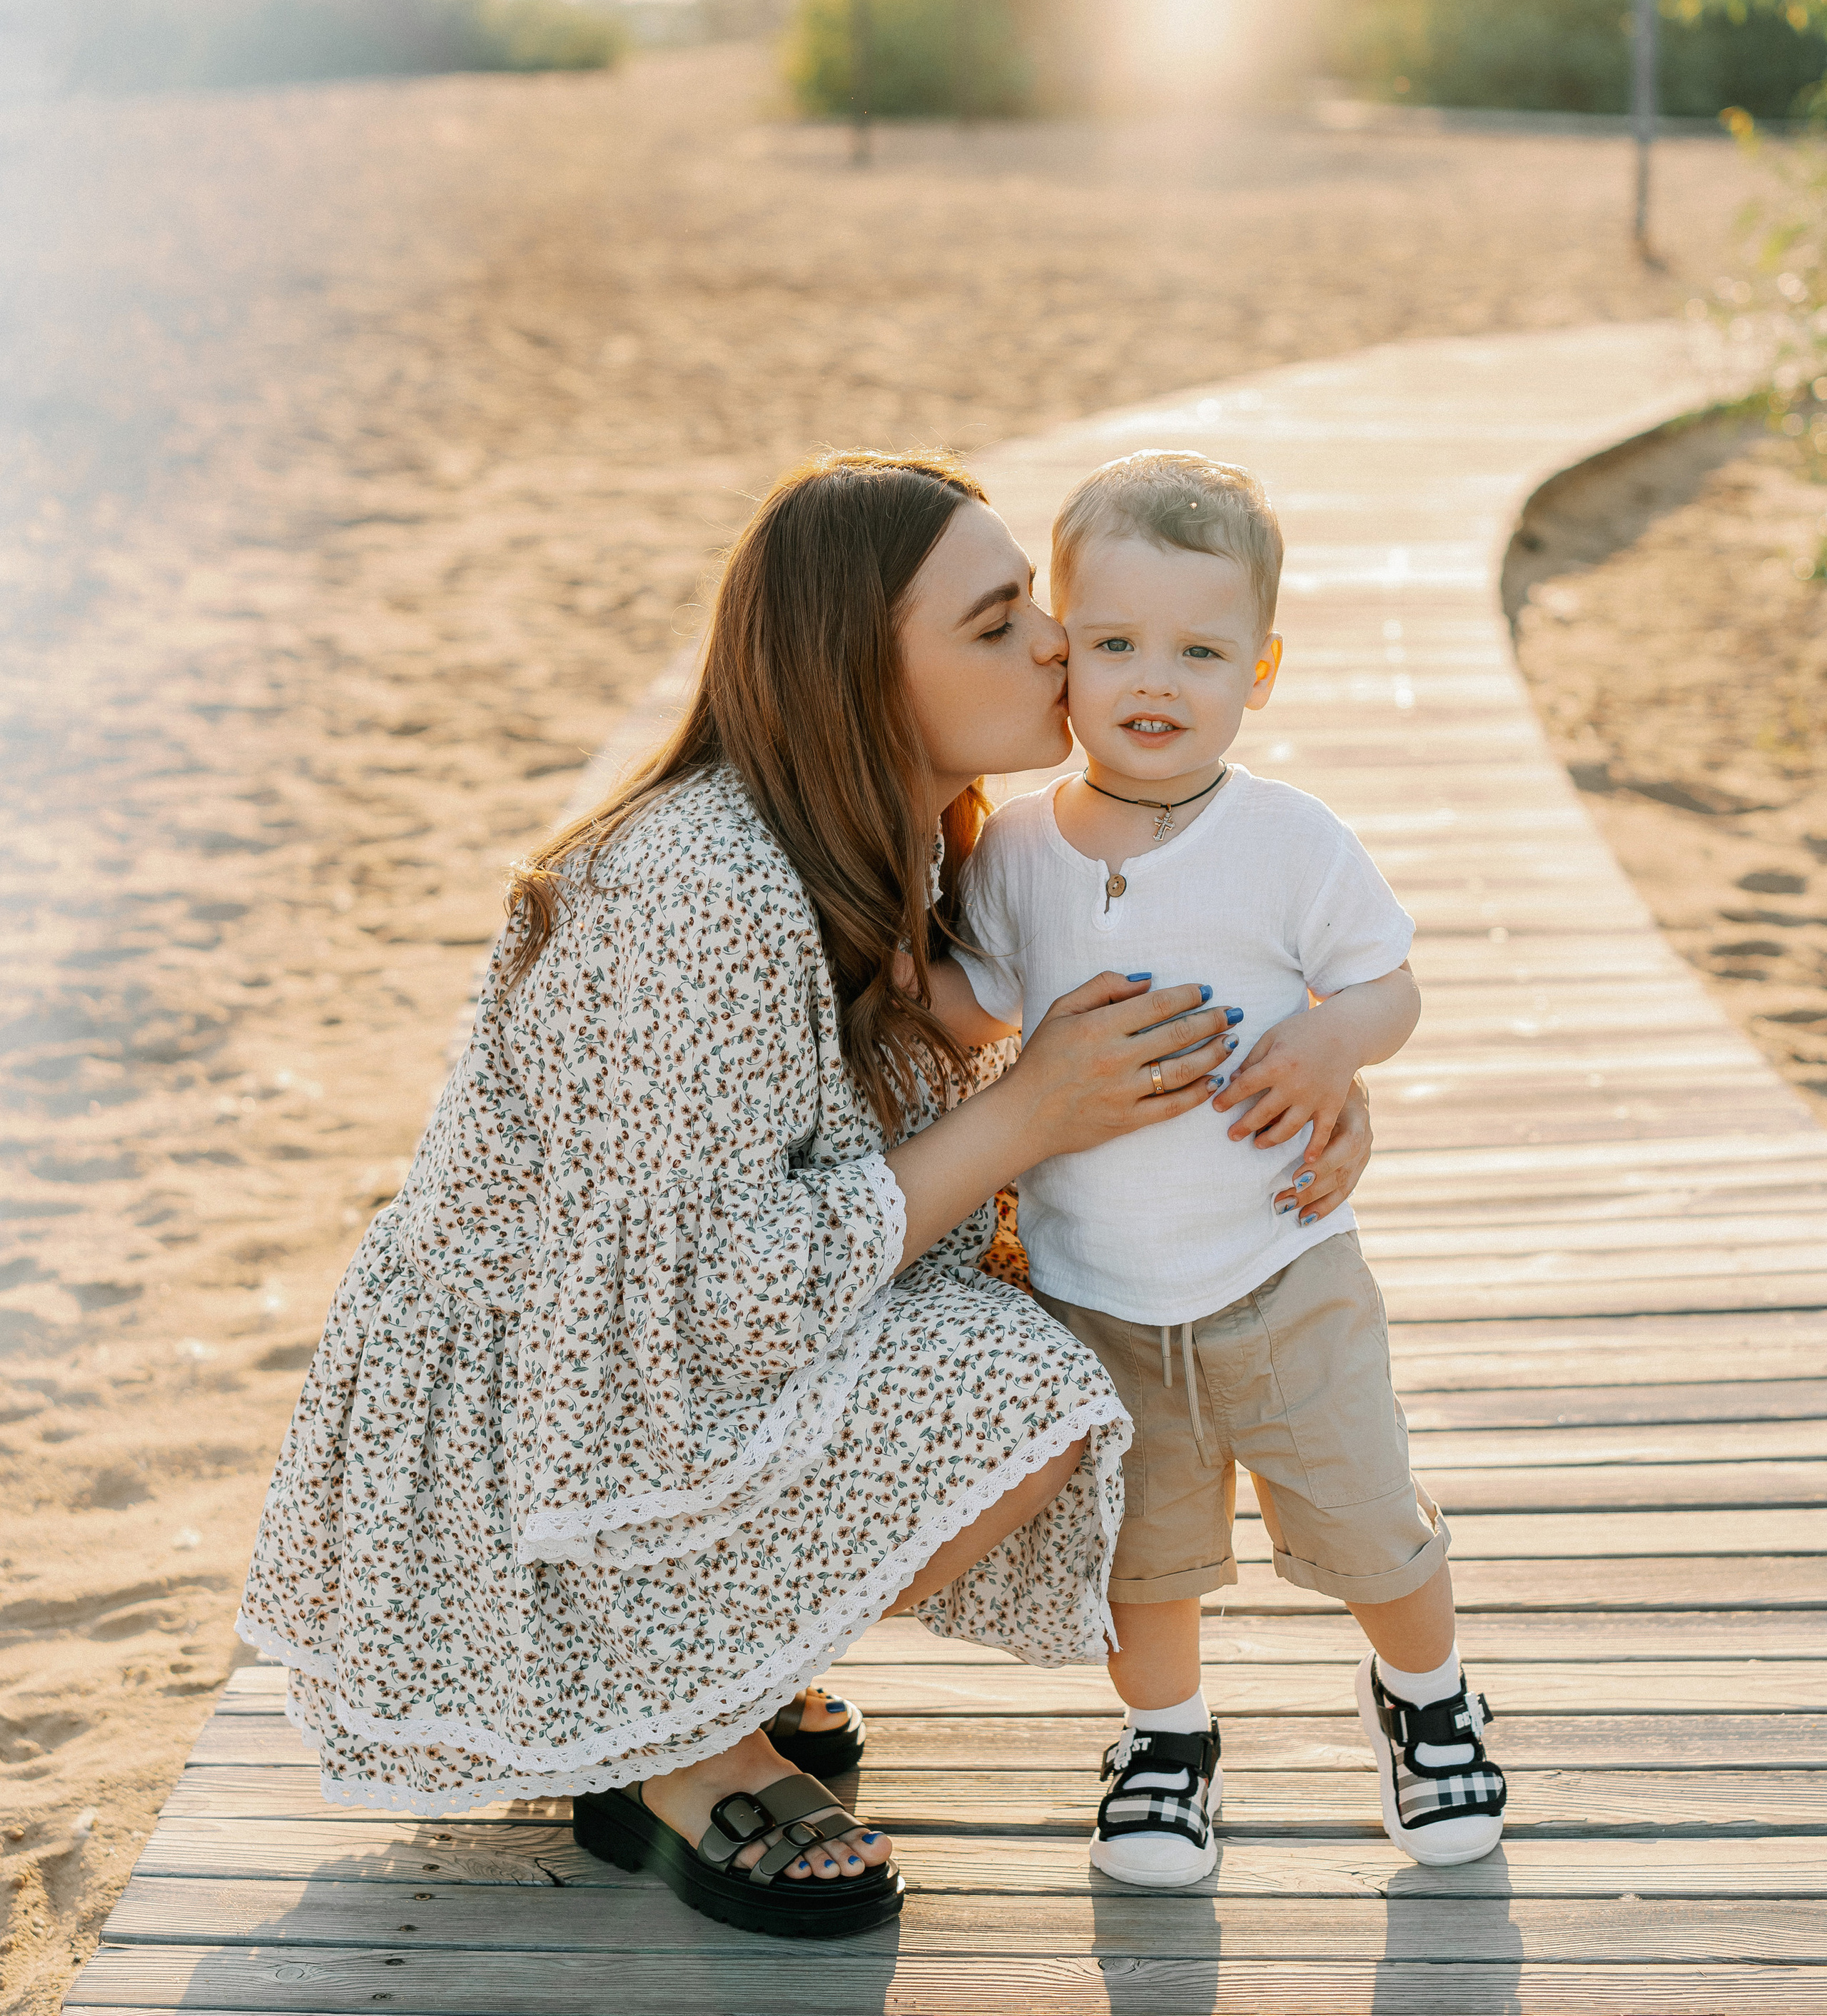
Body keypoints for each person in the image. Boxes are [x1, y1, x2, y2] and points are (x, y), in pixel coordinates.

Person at [236, 450, 1377, 1940]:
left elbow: (1163, 977)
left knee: (1062, 1329)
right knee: (1024, 1391)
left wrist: (1307, 1074)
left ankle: (709, 1664)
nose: (1051, 643)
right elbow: (704, 1294)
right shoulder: (698, 887)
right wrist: (1032, 1110)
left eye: (1030, 601)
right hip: (529, 1440)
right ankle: (674, 1739)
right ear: (858, 678)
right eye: (991, 625)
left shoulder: (909, 841)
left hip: (629, 1372)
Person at [918, 450, 1508, 1884]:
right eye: (1114, 643)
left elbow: (1389, 985)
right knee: (1142, 1555)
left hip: (1277, 1270)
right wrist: (884, 944)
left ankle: (1427, 1699)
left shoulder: (1285, 841)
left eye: (1198, 650)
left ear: (1261, 668)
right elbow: (973, 1006)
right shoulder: (1016, 856)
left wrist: (1331, 1043)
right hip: (1095, 1292)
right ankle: (1166, 1739)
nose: (1152, 682)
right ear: (1061, 652)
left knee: (1366, 1518)